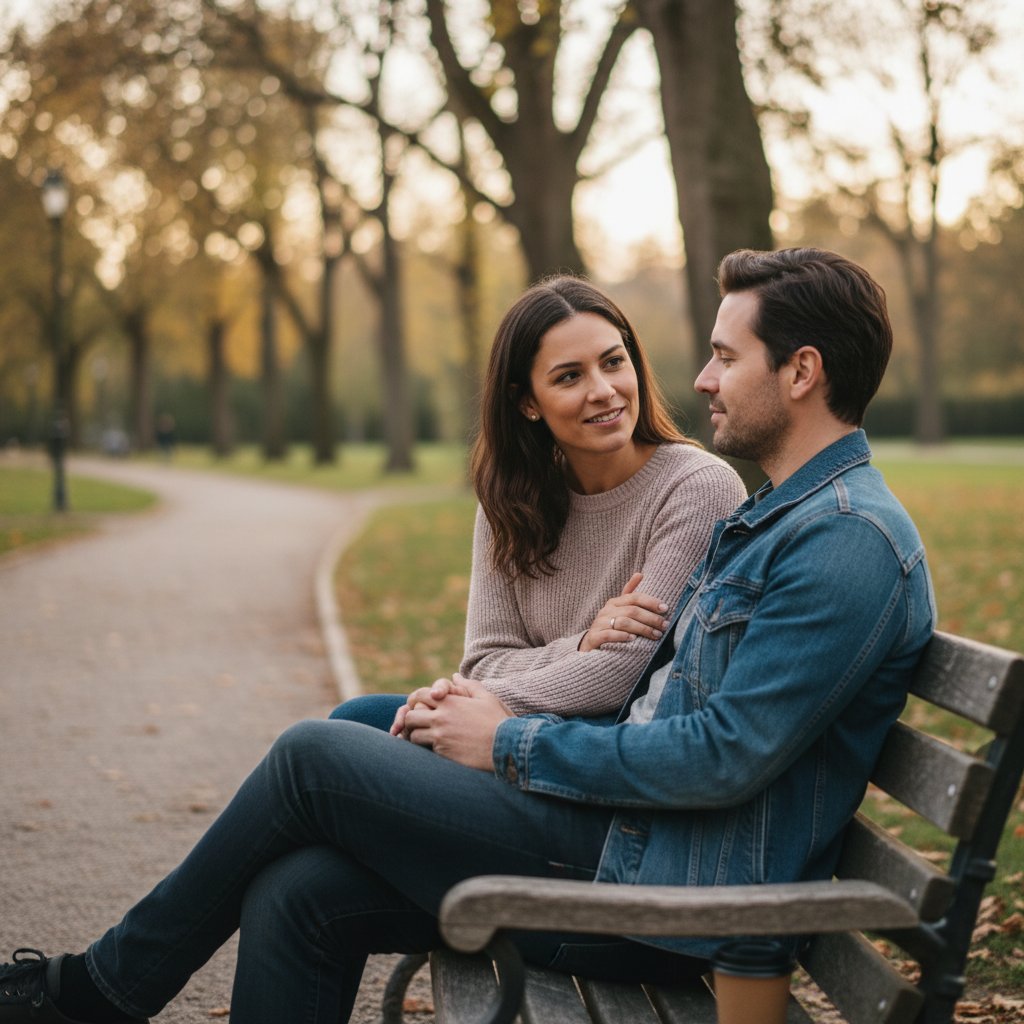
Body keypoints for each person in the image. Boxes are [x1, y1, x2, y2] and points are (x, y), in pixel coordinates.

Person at [1, 248, 935, 1024]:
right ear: (527, 401)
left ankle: (101, 993)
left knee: (313, 756)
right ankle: (100, 991)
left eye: (725, 356)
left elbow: (720, 757)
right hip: (634, 839)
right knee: (299, 890)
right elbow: (632, 698)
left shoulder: (843, 540)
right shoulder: (784, 519)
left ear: (800, 372)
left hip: (659, 888)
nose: (699, 379)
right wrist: (551, 680)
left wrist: (509, 741)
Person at [330, 276, 745, 733]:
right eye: (569, 376)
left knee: (329, 741)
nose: (603, 390)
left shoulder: (697, 487)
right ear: (528, 402)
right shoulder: (509, 500)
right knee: (353, 720)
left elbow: (627, 668)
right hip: (520, 720)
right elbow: (483, 662)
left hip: (604, 741)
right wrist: (581, 644)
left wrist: (468, 705)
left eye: (613, 362)